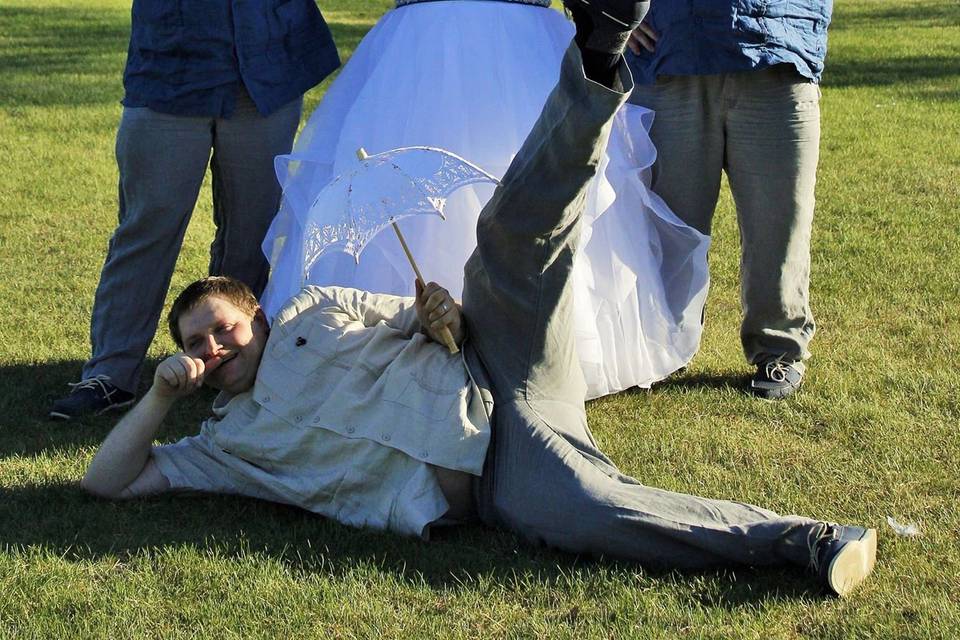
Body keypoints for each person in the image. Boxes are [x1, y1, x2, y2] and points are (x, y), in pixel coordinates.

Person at [82, 3, 876, 597]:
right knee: (603, 512)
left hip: (497, 357)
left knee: (509, 230)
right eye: (196, 348)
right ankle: (806, 543)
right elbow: (105, 485)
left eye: (215, 329)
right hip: (499, 473)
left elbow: (412, 320)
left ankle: (595, 66)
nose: (210, 349)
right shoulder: (230, 446)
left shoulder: (315, 308)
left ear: (253, 310)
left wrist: (436, 317)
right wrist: (158, 392)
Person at [259, 0, 710, 400]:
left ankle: (533, 343)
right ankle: (407, 333)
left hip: (523, 42)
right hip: (418, 48)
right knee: (411, 186)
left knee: (538, 174)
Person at [49, 0, 341, 420]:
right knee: (148, 227)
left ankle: (231, 367)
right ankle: (110, 376)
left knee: (252, 232)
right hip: (170, 67)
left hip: (268, 65)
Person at [625, 1, 832, 399]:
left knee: (779, 223)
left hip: (779, 48)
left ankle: (779, 349)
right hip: (670, 51)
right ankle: (664, 347)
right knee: (668, 224)